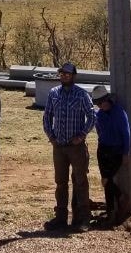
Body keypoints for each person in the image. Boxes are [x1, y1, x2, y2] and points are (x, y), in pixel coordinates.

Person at [41, 60, 96, 232]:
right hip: (59, 146)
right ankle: (61, 217)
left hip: (76, 147)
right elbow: (47, 115)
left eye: (68, 74)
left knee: (80, 181)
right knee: (60, 182)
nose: (64, 76)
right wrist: (51, 136)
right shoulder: (53, 93)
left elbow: (92, 116)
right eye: (62, 73)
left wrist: (82, 135)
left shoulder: (81, 95)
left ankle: (82, 218)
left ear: (73, 76)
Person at [90, 84, 131, 225]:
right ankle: (114, 207)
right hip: (103, 150)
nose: (101, 106)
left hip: (116, 151)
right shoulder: (99, 115)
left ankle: (113, 209)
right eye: (98, 104)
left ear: (108, 99)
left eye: (102, 102)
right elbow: (99, 131)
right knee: (106, 181)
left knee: (107, 180)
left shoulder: (119, 112)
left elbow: (126, 133)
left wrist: (125, 153)